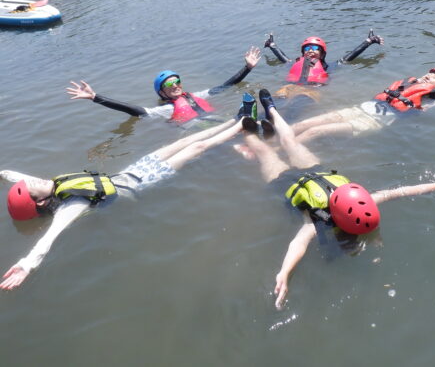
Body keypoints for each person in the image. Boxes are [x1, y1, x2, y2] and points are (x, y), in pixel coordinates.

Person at [239, 90, 435, 309]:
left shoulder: (317, 221)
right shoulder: (358, 205)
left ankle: (246, 127)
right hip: (316, 171)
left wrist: (284, 272)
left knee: (264, 151)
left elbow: (298, 245)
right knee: (289, 140)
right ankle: (270, 108)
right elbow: (403, 191)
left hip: (287, 184)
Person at [0, 100, 261, 290]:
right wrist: (26, 264)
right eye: (33, 187)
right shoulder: (71, 204)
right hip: (140, 183)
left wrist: (3, 173)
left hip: (128, 173)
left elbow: (15, 176)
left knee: (181, 142)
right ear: (42, 202)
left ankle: (233, 119)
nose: (34, 179)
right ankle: (241, 124)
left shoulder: (52, 186)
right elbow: (49, 238)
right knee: (198, 147)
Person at [290, 59, 435, 143]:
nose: (424, 78)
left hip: (369, 122)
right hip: (357, 109)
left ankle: (281, 150)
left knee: (315, 131)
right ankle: (267, 145)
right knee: (304, 124)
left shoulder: (429, 102)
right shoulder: (412, 83)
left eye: (431, 79)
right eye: (427, 75)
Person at [66, 46, 261, 124]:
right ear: (162, 92)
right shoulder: (166, 110)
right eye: (170, 85)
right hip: (200, 130)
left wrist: (247, 68)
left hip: (217, 121)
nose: (176, 85)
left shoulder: (197, 95)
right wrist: (95, 97)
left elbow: (226, 86)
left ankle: (248, 119)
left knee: (251, 120)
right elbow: (133, 110)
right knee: (239, 122)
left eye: (177, 81)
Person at [264, 30, 384, 86]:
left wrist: (368, 41)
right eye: (306, 49)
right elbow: (282, 58)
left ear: (322, 54)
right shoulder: (295, 63)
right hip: (291, 86)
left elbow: (349, 57)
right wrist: (272, 45)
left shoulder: (328, 67)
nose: (310, 50)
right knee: (280, 96)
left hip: (310, 91)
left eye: (314, 48)